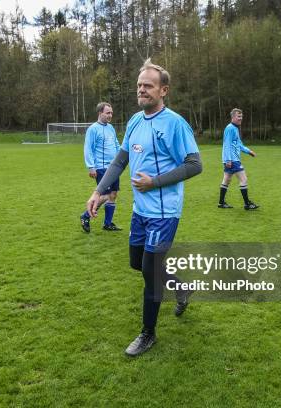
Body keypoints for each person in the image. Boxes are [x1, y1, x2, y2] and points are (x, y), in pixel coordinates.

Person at [86, 59, 202, 357]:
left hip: (165, 213)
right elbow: (120, 160)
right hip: (140, 212)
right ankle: (181, 287)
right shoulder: (136, 121)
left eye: (148, 85)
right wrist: (99, 192)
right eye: (139, 85)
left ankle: (148, 334)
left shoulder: (175, 123)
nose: (142, 90)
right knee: (139, 264)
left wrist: (156, 182)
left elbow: (195, 164)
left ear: (163, 90)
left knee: (150, 273)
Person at [80, 102, 122, 233]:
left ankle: (108, 224)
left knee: (113, 194)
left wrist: (122, 159)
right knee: (104, 195)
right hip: (101, 167)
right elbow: (88, 148)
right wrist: (91, 167)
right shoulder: (93, 129)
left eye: (111, 113)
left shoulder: (111, 128)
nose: (110, 115)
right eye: (107, 113)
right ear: (100, 113)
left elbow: (116, 145)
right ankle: (85, 216)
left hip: (114, 167)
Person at [218, 108, 260, 210]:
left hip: (231, 159)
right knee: (243, 179)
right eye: (238, 116)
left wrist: (249, 151)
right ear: (233, 117)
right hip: (232, 160)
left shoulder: (235, 128)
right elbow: (227, 144)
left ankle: (221, 203)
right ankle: (247, 204)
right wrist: (228, 159)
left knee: (226, 179)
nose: (240, 118)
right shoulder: (230, 128)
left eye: (241, 116)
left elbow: (239, 144)